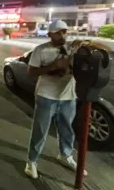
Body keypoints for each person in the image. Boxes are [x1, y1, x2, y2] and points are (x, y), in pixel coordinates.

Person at [25, 20, 87, 179]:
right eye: (58, 32)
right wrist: (53, 67)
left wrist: (83, 46)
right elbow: (31, 71)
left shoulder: (72, 48)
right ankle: (31, 161)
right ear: (50, 34)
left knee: (67, 129)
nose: (62, 35)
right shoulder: (41, 50)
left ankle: (66, 155)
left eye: (64, 32)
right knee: (41, 130)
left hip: (68, 97)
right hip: (46, 96)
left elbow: (87, 57)